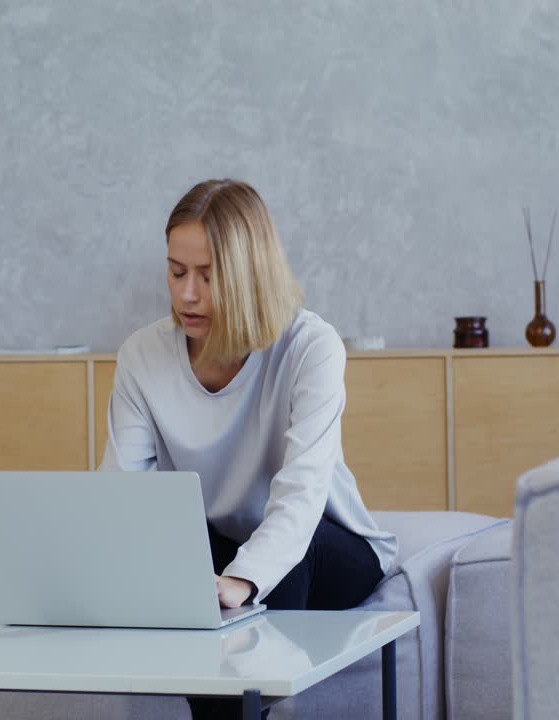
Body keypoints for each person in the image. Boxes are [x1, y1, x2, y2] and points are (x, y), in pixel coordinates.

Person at [98, 178, 398, 719]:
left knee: (285, 554)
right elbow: (121, 495)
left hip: (327, 546)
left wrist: (241, 580)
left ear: (248, 274)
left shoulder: (311, 348)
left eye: (209, 277)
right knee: (193, 559)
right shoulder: (143, 355)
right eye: (176, 271)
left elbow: (302, 498)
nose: (187, 294)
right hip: (220, 543)